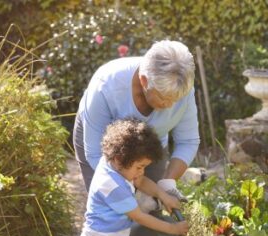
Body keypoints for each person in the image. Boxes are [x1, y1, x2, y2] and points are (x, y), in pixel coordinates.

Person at [73, 39, 200, 207]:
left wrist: (166, 183)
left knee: (152, 207)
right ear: (144, 80)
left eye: (175, 100)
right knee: (111, 210)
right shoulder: (106, 85)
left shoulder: (182, 88)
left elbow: (188, 141)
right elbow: (95, 154)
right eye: (164, 98)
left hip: (151, 146)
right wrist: (128, 187)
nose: (170, 105)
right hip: (103, 150)